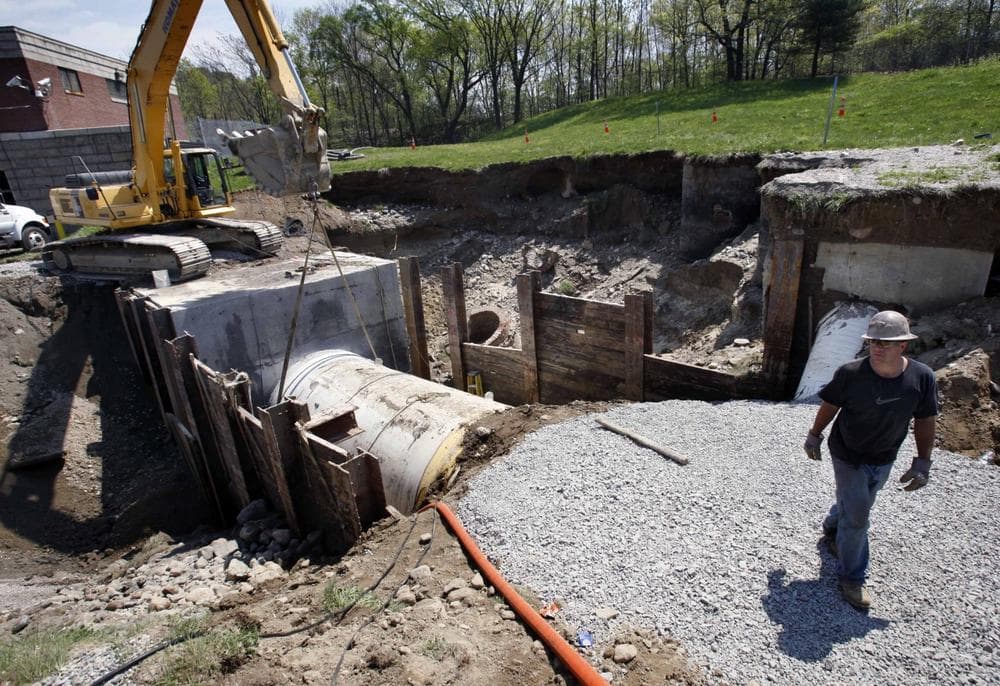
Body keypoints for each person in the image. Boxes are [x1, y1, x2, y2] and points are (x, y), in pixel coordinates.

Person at [803, 310, 939, 610]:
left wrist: (922, 462)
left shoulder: (921, 378)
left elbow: (926, 419)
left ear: (902, 346)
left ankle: (831, 530)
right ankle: (852, 579)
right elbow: (830, 404)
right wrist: (815, 435)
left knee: (859, 501)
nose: (876, 348)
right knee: (859, 515)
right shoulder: (851, 374)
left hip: (884, 455)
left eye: (885, 343)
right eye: (873, 341)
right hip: (847, 453)